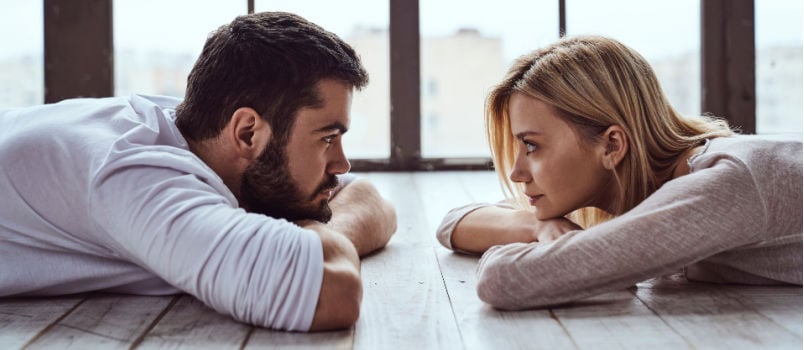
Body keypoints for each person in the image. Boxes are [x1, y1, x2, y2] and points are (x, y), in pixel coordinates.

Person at [0, 12, 396, 332]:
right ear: (248, 132)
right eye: (328, 138)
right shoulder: (138, 178)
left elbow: (370, 200)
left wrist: (321, 240)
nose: (342, 164)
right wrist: (317, 249)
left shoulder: (195, 132)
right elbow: (331, 293)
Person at [436, 35, 802, 310]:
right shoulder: (655, 184)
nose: (517, 173)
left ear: (612, 145)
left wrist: (557, 242)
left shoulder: (724, 184)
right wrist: (539, 226)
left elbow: (505, 280)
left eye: (531, 146)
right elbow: (454, 223)